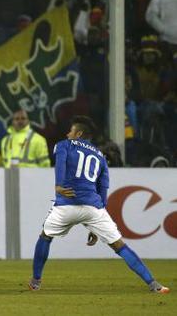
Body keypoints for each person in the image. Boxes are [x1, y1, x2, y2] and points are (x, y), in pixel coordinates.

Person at [29, 116, 170, 294]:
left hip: (66, 205)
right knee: (120, 246)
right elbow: (103, 190)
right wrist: (95, 224)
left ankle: (36, 281)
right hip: (93, 208)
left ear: (78, 134)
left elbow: (61, 163)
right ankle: (154, 284)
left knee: (45, 237)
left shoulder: (65, 144)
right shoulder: (100, 156)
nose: (67, 133)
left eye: (71, 131)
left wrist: (59, 185)